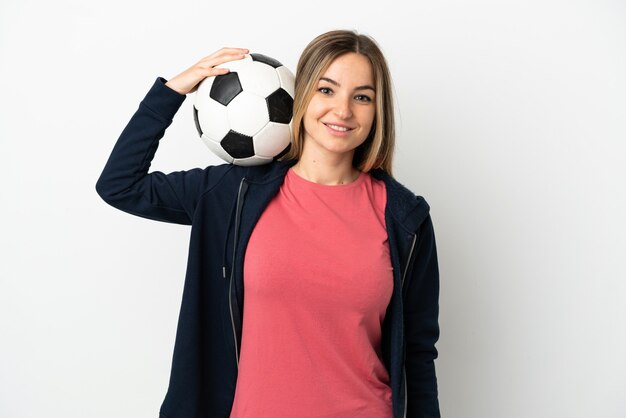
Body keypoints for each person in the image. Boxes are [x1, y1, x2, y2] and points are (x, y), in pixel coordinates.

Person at [96, 29, 441, 418]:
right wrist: (171, 91)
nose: (343, 110)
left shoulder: (404, 217)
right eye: (327, 90)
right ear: (301, 94)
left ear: (378, 111)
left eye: (362, 97)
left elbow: (417, 350)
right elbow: (119, 185)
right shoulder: (232, 194)